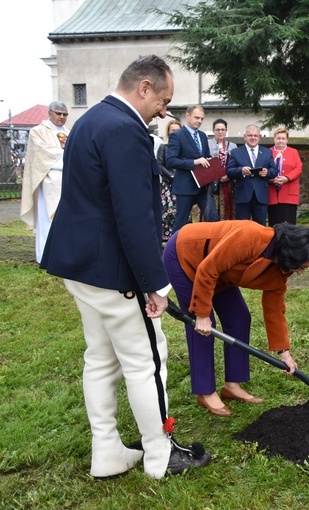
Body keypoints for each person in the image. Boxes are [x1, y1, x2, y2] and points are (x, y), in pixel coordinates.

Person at [40, 55, 211, 479]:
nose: (165, 110)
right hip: (114, 271)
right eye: (164, 99)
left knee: (100, 358)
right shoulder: (125, 129)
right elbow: (134, 215)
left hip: (80, 265)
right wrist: (155, 282)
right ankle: (160, 453)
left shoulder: (91, 119)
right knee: (146, 360)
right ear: (144, 88)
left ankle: (108, 452)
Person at [163, 220, 309, 416]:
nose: (301, 272)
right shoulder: (250, 237)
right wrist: (201, 314)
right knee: (204, 326)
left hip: (222, 274)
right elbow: (208, 268)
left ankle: (232, 386)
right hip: (186, 256)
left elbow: (275, 308)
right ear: (290, 254)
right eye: (302, 266)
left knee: (239, 318)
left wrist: (283, 351)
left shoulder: (283, 269)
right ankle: (205, 391)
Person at [20, 101, 70, 263]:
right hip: (47, 182)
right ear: (49, 113)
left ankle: (63, 255)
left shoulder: (70, 132)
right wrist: (69, 156)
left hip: (68, 182)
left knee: (66, 220)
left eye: (64, 114)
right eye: (58, 113)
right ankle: (44, 257)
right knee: (46, 219)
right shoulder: (38, 132)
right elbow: (42, 154)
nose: (62, 117)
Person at [166, 105, 219, 234]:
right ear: (187, 115)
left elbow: (205, 157)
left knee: (213, 219)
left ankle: (211, 250)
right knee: (181, 222)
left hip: (203, 186)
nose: (199, 121)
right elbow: (170, 160)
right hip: (185, 186)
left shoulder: (202, 136)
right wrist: (194, 162)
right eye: (197, 117)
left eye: (202, 118)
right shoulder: (177, 136)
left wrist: (214, 164)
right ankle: (173, 252)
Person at [227, 124, 278, 225]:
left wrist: (267, 172)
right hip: (243, 195)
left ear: (259, 137)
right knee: (241, 227)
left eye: (255, 135)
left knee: (260, 227)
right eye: (250, 135)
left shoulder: (267, 152)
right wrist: (241, 170)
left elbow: (274, 170)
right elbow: (229, 171)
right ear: (245, 137)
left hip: (260, 196)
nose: (253, 138)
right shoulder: (236, 152)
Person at [268, 128, 303, 225]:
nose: (280, 141)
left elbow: (298, 168)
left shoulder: (294, 152)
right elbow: (264, 168)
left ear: (287, 140)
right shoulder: (268, 152)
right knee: (274, 224)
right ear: (274, 139)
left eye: (283, 138)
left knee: (289, 224)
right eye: (278, 138)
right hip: (272, 192)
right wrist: (271, 179)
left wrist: (286, 178)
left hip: (289, 192)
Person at [157, 119, 182, 242]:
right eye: (173, 130)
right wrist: (171, 176)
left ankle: (180, 238)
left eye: (178, 130)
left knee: (181, 212)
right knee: (167, 212)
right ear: (168, 132)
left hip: (182, 184)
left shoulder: (184, 148)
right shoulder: (164, 147)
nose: (175, 133)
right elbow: (159, 164)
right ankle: (167, 240)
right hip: (168, 184)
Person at [208, 118, 237, 220]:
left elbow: (235, 163)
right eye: (218, 129)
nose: (220, 132)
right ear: (213, 131)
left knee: (229, 209)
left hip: (228, 183)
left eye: (223, 129)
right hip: (212, 183)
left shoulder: (233, 146)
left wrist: (228, 175)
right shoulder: (207, 145)